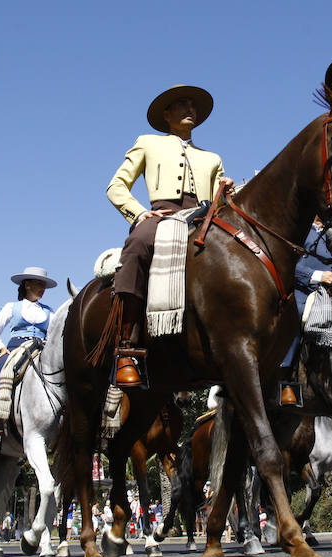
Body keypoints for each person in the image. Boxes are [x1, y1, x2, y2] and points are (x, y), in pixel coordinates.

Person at [107, 85, 235, 387]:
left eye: (193, 105)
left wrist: (227, 194)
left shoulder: (212, 157)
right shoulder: (148, 143)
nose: (190, 109)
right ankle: (126, 347)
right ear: (167, 114)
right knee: (138, 245)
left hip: (203, 218)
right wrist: (140, 214)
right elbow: (116, 187)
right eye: (181, 104)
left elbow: (222, 202)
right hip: (162, 215)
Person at [279, 217, 332, 404]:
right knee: (295, 321)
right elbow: (288, 263)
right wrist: (318, 275)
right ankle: (286, 382)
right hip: (305, 291)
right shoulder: (299, 229)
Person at [0, 267, 56, 454]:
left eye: (43, 285)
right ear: (27, 284)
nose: (42, 288)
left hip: (41, 348)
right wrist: (1, 349)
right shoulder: (12, 307)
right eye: (38, 284)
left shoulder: (49, 311)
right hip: (16, 347)